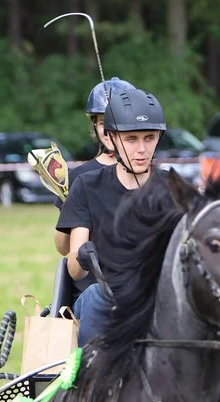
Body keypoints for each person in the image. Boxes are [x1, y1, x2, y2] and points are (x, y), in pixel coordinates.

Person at [56, 82, 166, 346]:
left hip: (156, 296)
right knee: (97, 296)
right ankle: (94, 378)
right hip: (101, 295)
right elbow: (73, 270)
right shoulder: (86, 185)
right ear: (112, 139)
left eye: (149, 138)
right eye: (131, 139)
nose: (141, 149)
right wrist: (82, 257)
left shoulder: (171, 188)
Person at [53, 79, 119, 256]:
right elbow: (62, 248)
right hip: (94, 275)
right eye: (104, 122)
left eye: (118, 121)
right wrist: (70, 208)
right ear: (94, 125)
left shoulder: (145, 174)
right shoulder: (79, 176)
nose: (109, 130)